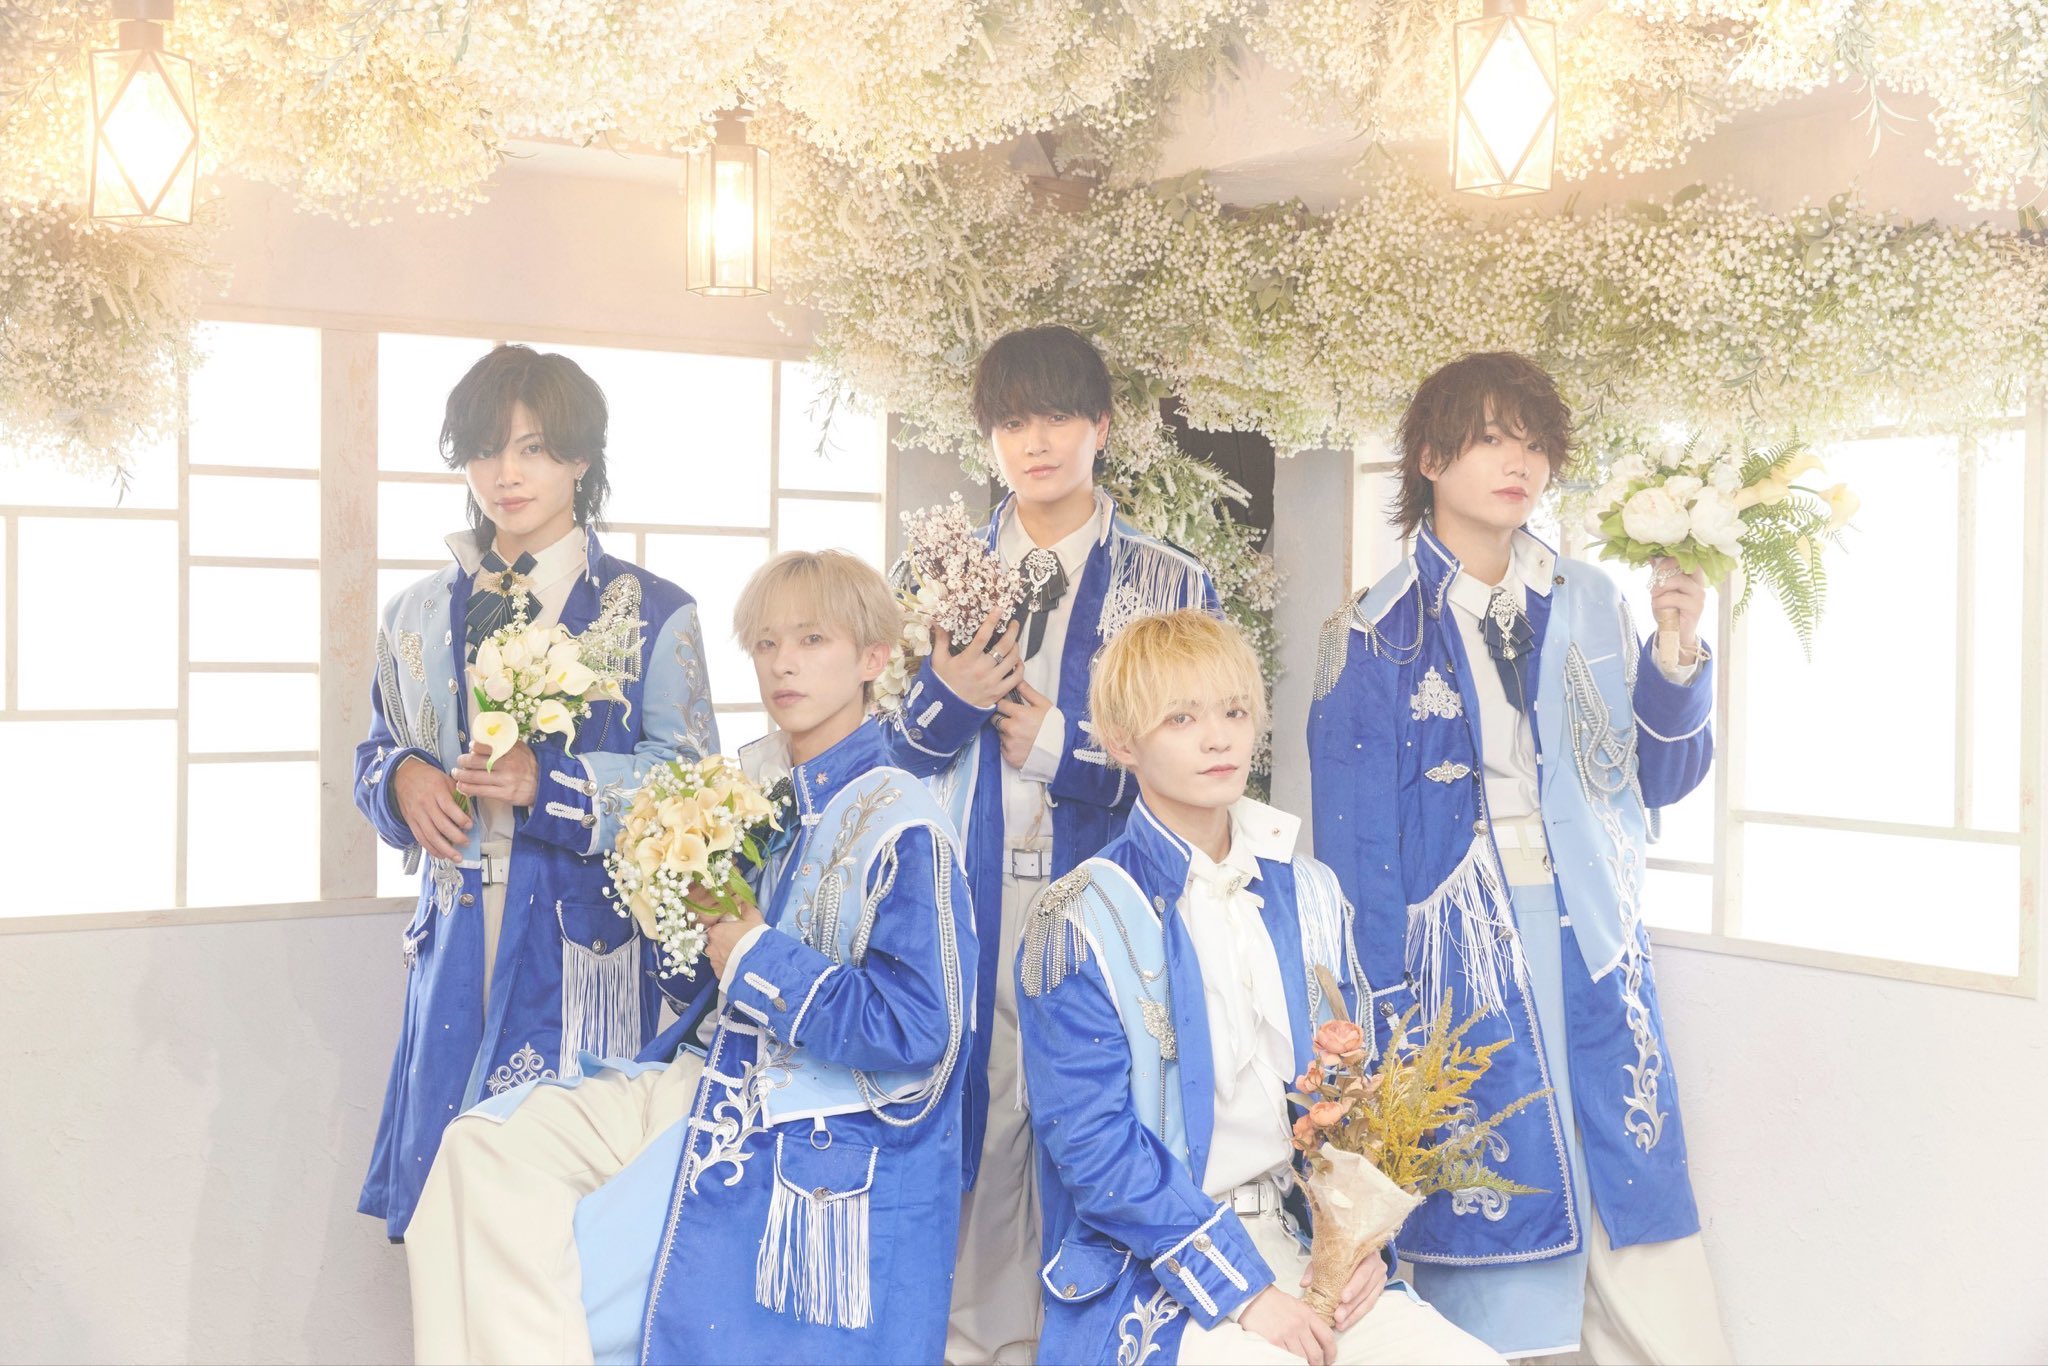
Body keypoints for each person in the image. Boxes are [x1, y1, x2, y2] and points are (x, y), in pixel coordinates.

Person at [402, 549, 977, 1366]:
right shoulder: (759, 792)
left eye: (812, 640)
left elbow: (923, 1031)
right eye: (767, 643)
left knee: (566, 1267)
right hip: (702, 1071)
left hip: (796, 1117)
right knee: (477, 1152)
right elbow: (698, 976)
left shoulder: (903, 821)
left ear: (873, 659)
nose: (782, 663)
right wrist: (674, 907)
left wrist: (753, 952)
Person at [1307, 352, 1732, 1362]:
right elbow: (1356, 860)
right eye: (1491, 439)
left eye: (1535, 443)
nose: (1520, 463)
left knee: (1624, 1176)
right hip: (1458, 958)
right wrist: (1380, 1020)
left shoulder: (1589, 598)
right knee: (1496, 1199)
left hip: (1592, 928)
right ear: (1429, 458)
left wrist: (1675, 652)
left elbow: (1657, 780)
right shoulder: (1371, 632)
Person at [1017, 609, 1501, 1366]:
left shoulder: (1312, 892)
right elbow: (1094, 1149)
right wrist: (1244, 1294)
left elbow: (1358, 1095)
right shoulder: (1080, 917)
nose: (1219, 739)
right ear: (1121, 741)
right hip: (1155, 1271)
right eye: (1181, 718)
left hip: (1302, 1245)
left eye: (1235, 712)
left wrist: (1363, 1245)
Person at [880, 325, 1219, 1363]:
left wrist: (1062, 750)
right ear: (987, 438)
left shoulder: (1170, 583)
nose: (1036, 442)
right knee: (975, 1112)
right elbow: (884, 756)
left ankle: (1091, 1337)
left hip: (1109, 893)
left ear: (1101, 428)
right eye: (1013, 421)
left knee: (1101, 1110)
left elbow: (1205, 756)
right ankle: (972, 1341)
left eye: (1059, 417)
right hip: (964, 886)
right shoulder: (931, 574)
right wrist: (947, 698)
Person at [354, 343, 718, 1242]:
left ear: (580, 459)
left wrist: (547, 785)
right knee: (448, 1216)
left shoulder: (653, 610)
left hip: (584, 947)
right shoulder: (415, 613)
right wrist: (402, 778)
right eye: (484, 450)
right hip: (453, 931)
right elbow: (376, 748)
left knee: (567, 1221)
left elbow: (692, 787)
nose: (505, 475)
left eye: (533, 449)